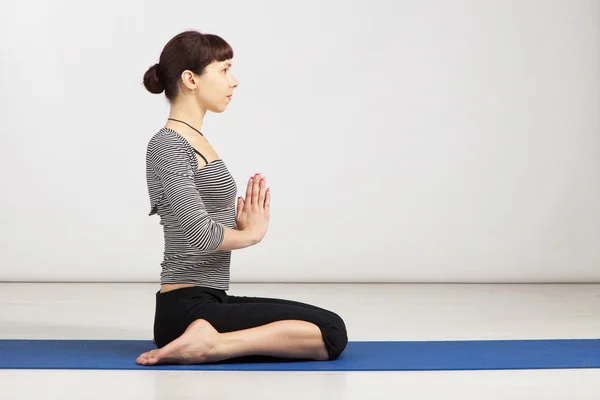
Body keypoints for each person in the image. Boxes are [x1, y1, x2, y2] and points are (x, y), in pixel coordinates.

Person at [136, 30, 348, 366]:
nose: (233, 82)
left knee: (328, 326)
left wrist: (238, 222)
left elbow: (195, 219)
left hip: (208, 300)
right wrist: (250, 234)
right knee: (331, 331)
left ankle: (207, 337)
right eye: (223, 70)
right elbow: (198, 234)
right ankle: (209, 344)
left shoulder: (194, 139)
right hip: (187, 306)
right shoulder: (168, 144)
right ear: (191, 79)